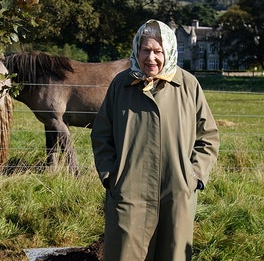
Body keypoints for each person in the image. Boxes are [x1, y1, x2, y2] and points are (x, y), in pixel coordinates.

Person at [90, 19, 219, 260]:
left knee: (173, 253)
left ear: (169, 51)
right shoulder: (121, 84)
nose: (151, 58)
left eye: (158, 51)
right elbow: (101, 135)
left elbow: (208, 136)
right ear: (136, 50)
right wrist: (111, 177)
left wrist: (194, 177)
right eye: (145, 50)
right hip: (129, 193)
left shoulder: (188, 85)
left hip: (176, 192)